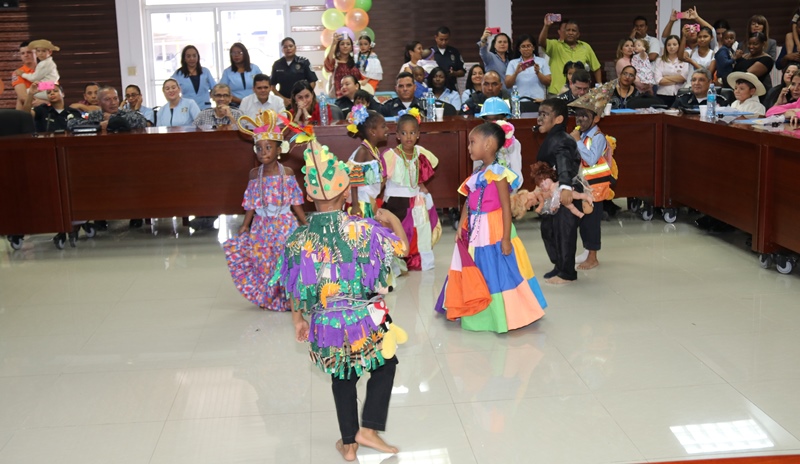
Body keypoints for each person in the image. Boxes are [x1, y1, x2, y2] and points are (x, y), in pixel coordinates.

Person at [269, 132, 408, 462]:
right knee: (385, 364)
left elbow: (295, 286)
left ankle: (349, 444)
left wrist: (298, 320)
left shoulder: (297, 238)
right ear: (347, 192)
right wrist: (393, 220)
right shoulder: (363, 229)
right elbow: (401, 250)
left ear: (308, 196)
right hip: (364, 317)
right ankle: (368, 429)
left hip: (325, 322)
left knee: (342, 375)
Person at [435, 122, 546, 331]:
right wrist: (461, 225)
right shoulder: (477, 173)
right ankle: (475, 308)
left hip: (494, 230)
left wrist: (506, 238)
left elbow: (506, 208)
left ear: (487, 145)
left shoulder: (499, 174)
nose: (469, 147)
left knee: (497, 270)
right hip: (476, 229)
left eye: (472, 142)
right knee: (477, 266)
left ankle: (502, 313)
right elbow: (468, 201)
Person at [224, 109, 306, 310]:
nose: (263, 153)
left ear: (279, 150)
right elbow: (251, 203)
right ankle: (268, 297)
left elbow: (295, 201)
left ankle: (288, 298)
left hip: (284, 224)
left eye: (268, 148)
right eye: (259, 149)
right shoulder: (254, 174)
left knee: (284, 259)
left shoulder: (287, 173)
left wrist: (304, 222)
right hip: (261, 226)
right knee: (264, 261)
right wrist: (245, 225)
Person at [381, 111, 440, 271]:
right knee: (396, 231)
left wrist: (421, 184)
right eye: (404, 133)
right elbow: (383, 179)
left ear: (418, 134)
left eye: (412, 133)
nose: (409, 137)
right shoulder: (391, 156)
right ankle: (396, 261)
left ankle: (416, 259)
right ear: (397, 135)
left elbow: (422, 172)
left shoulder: (420, 153)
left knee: (418, 231)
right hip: (395, 202)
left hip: (415, 200)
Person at [568, 83, 617, 270]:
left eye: (585, 115)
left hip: (595, 187)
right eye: (578, 115)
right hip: (584, 185)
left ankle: (593, 257)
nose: (580, 119)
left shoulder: (597, 137)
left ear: (596, 118)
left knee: (592, 222)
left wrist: (577, 141)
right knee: (583, 220)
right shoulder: (581, 134)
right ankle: (587, 251)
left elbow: (590, 159)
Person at [535, 98, 582, 284]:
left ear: (559, 119)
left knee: (564, 231)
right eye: (539, 114)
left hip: (565, 190)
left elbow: (563, 163)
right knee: (549, 229)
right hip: (552, 191)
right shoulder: (552, 137)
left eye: (544, 115)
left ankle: (567, 273)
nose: (539, 119)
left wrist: (565, 187)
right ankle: (559, 264)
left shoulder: (563, 140)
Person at [539, 16, 602, 95]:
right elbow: (541, 42)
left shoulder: (585, 47)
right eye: (568, 30)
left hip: (578, 93)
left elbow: (596, 68)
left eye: (573, 30)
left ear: (578, 34)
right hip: (556, 92)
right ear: (564, 33)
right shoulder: (555, 45)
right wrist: (546, 26)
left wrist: (599, 85)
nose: (570, 33)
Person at [347, 107, 388, 218]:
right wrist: (355, 205)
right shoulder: (362, 151)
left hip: (370, 200)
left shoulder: (374, 150)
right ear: (372, 131)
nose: (387, 129)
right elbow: (354, 179)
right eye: (383, 126)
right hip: (362, 203)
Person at [476, 97, 522, 184]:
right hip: (486, 188)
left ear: (505, 119)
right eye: (488, 121)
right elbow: (476, 174)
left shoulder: (513, 143)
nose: (493, 125)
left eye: (496, 120)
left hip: (508, 188)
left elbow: (517, 175)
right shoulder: (479, 144)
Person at [524, 162, 592, 218]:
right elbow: (554, 200)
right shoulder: (550, 192)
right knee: (571, 207)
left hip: (566, 194)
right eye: (541, 187)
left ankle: (587, 197)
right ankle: (579, 214)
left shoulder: (555, 184)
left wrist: (569, 188)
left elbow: (563, 185)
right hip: (563, 201)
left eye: (544, 184)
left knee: (578, 196)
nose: (543, 187)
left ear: (549, 178)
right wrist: (553, 206)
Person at [67, 86, 148, 131]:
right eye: (107, 99)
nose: (113, 103)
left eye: (115, 98)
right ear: (99, 102)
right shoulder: (92, 114)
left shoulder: (125, 112)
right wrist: (98, 125)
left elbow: (141, 121)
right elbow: (72, 123)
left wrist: (112, 119)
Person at [271, 37, 318, 107]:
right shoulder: (277, 64)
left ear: (295, 48)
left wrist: (303, 96)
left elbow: (312, 82)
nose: (288, 49)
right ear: (282, 50)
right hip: (285, 102)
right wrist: (283, 99)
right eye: (285, 47)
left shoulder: (304, 62)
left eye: (291, 46)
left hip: (303, 101)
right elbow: (272, 86)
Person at [505, 34, 550, 100]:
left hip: (538, 100)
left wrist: (538, 73)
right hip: (519, 100)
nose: (526, 49)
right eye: (523, 46)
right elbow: (507, 85)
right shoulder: (513, 63)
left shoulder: (542, 61)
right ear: (519, 49)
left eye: (528, 46)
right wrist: (516, 73)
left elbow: (548, 82)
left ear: (533, 47)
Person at [171, 45, 216, 110]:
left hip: (205, 108)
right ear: (184, 58)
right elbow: (170, 90)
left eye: (194, 56)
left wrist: (207, 96)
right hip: (187, 109)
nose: (192, 58)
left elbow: (215, 88)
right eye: (188, 56)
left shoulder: (205, 71)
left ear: (198, 57)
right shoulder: (178, 74)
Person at [655, 35, 691, 107]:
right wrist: (677, 79)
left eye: (674, 44)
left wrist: (665, 77)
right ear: (665, 47)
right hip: (663, 94)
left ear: (679, 46)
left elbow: (683, 78)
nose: (671, 47)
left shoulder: (684, 60)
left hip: (680, 94)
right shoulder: (660, 60)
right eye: (669, 45)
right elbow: (658, 80)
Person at [425, 26, 465, 92]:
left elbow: (462, 72)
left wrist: (454, 73)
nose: (444, 42)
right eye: (441, 39)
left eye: (446, 40)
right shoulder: (430, 52)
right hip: (433, 90)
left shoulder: (454, 52)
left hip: (451, 88)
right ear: (436, 38)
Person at [325, 34, 363, 98]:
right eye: (342, 44)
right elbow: (328, 66)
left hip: (356, 97)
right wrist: (333, 44)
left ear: (351, 47)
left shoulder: (356, 61)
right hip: (339, 97)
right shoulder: (335, 62)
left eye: (348, 44)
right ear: (338, 47)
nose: (345, 46)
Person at [12, 41, 37, 110]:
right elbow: (23, 97)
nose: (26, 55)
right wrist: (42, 102)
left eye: (29, 52)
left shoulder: (46, 70)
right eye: (22, 53)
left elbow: (54, 89)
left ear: (36, 53)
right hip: (28, 110)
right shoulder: (17, 73)